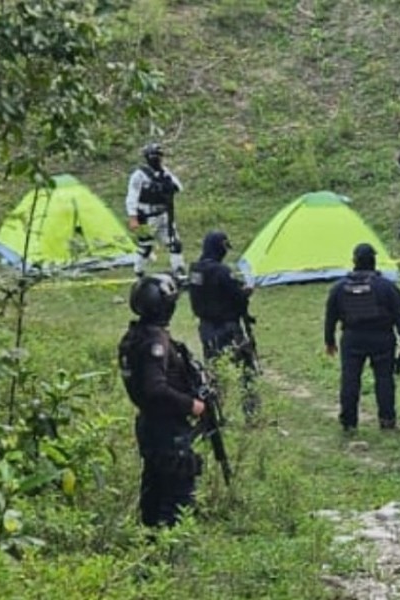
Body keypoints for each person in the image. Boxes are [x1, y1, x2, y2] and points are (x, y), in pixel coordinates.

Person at [117, 273, 206, 527]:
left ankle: (151, 545)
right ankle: (168, 552)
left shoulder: (134, 337)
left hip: (149, 425)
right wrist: (191, 405)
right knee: (176, 496)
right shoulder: (155, 341)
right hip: (167, 428)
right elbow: (155, 387)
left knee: (154, 489)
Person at [324, 243, 400, 432]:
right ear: (374, 260)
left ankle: (348, 423)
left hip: (352, 338)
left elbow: (330, 316)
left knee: (350, 380)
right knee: (384, 380)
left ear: (354, 261)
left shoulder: (339, 288)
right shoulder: (386, 287)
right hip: (382, 338)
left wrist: (329, 341)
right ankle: (387, 421)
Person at [188, 231, 258, 414]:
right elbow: (238, 297)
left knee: (214, 373)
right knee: (246, 369)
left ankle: (215, 413)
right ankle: (251, 413)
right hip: (228, 328)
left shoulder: (194, 270)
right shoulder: (222, 272)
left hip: (205, 328)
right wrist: (247, 292)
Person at [125, 143, 185, 279]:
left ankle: (179, 272)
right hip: (145, 216)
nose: (156, 158)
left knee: (175, 243)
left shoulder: (165, 172)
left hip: (164, 215)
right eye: (153, 155)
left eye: (158, 156)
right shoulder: (139, 175)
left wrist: (168, 185)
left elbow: (179, 187)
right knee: (146, 247)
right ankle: (138, 271)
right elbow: (132, 196)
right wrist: (133, 218)